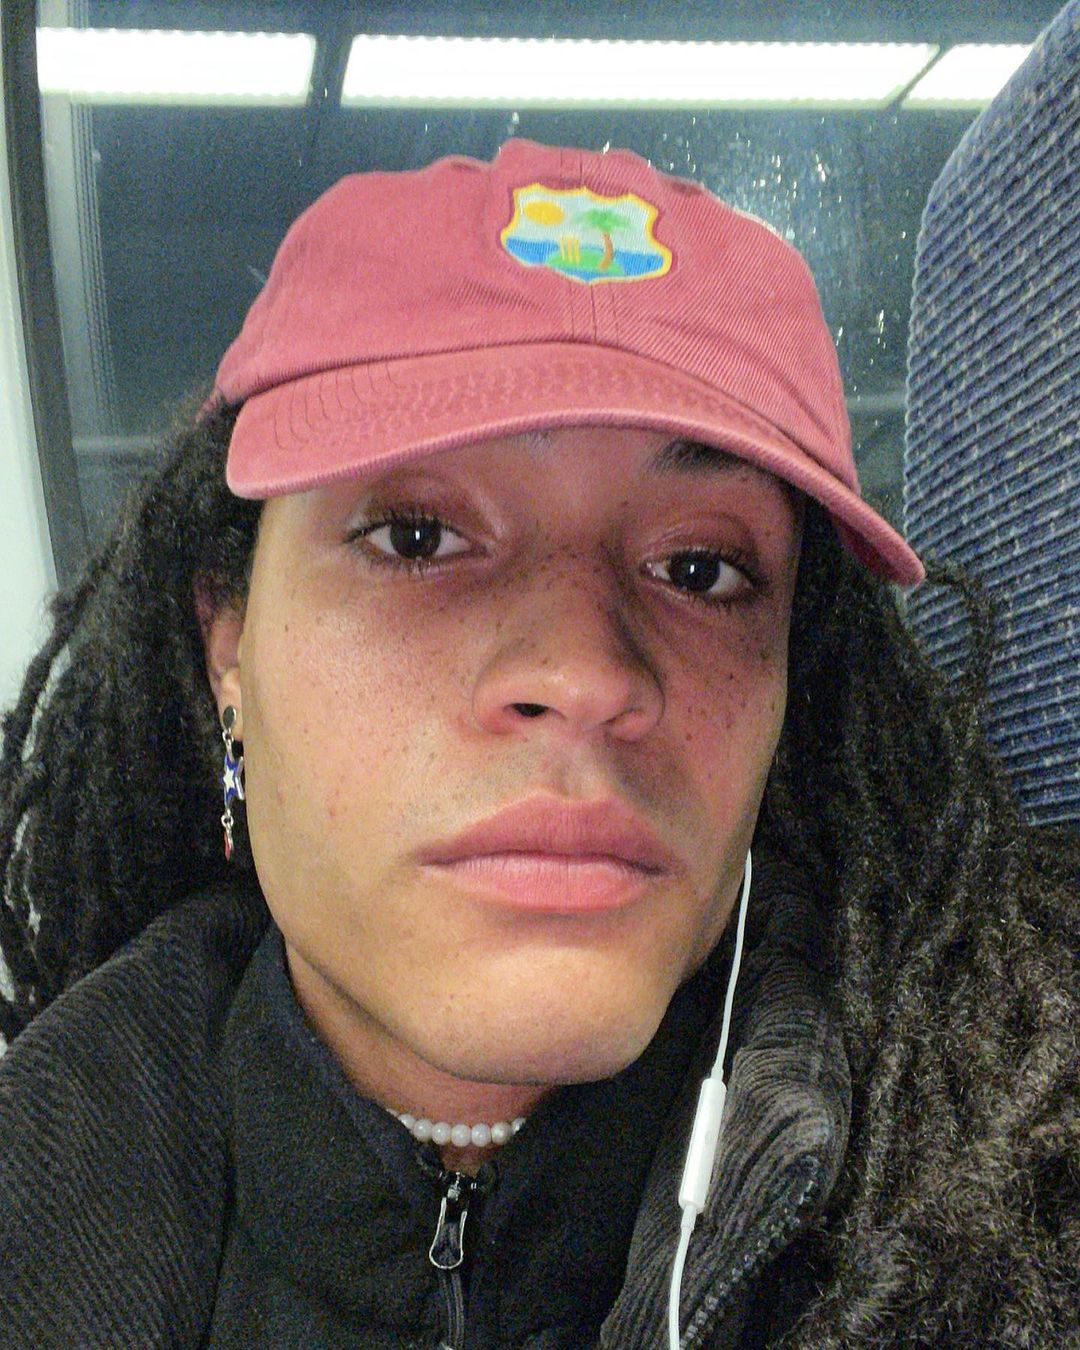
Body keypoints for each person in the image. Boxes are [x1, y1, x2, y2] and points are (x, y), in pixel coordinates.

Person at [0, 140, 1076, 1349]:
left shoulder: (1010, 1213)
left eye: (700, 569)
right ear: (228, 647)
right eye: (416, 538)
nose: (585, 676)